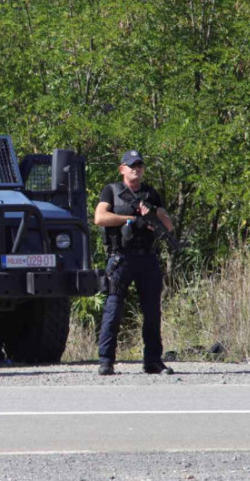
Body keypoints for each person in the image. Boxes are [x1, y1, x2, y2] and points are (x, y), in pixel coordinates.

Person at [94, 150, 175, 376]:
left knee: (152, 311)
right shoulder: (112, 191)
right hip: (121, 259)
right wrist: (130, 219)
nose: (136, 169)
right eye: (131, 166)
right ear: (122, 169)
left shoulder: (151, 193)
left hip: (147, 259)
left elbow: (168, 226)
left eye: (139, 165)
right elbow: (99, 217)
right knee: (113, 309)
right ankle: (106, 361)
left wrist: (154, 214)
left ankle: (153, 362)